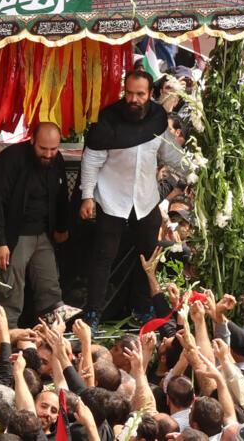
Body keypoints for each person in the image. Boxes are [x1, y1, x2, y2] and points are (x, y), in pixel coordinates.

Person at [79, 69, 186, 328]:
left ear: (150, 95)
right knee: (103, 257)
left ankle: (143, 308)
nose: (134, 99)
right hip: (111, 197)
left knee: (147, 256)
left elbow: (171, 155)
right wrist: (87, 196)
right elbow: (92, 159)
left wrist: (196, 174)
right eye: (130, 93)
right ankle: (93, 312)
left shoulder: (158, 121)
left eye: (140, 94)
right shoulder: (108, 120)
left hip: (145, 198)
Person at [0, 122, 77, 326]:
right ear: (32, 140)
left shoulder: (57, 159)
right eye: (43, 149)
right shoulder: (10, 159)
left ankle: (53, 342)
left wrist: (62, 227)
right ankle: (4, 344)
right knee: (10, 293)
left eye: (54, 149)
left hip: (44, 233)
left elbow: (61, 197)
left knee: (51, 290)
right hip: (14, 235)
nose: (48, 154)